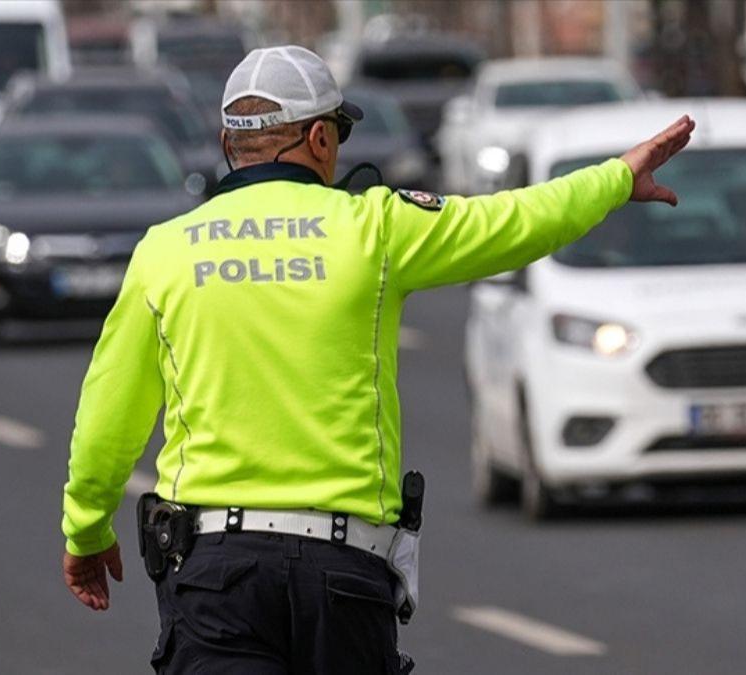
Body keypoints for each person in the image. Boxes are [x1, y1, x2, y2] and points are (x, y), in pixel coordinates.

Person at [60, 45, 694, 673]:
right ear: (317, 139)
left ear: (232, 143)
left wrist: (86, 533)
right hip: (344, 574)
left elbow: (106, 419)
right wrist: (615, 179)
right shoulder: (376, 228)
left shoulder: (164, 253)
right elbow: (514, 222)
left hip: (216, 578)